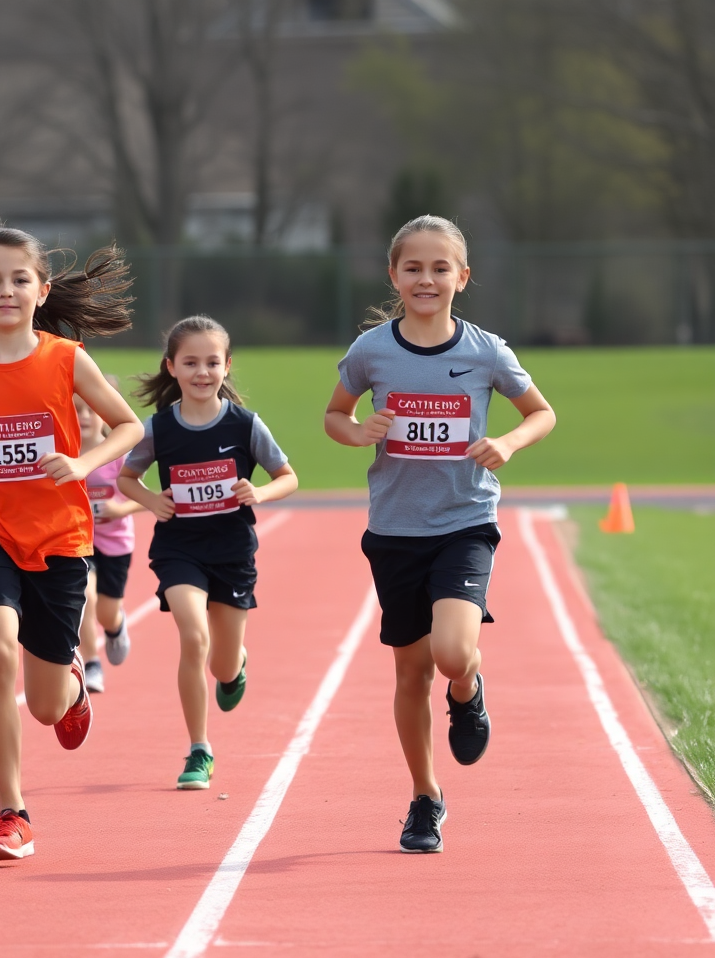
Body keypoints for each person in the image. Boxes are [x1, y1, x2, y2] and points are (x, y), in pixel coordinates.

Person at [324, 215, 556, 853]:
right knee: (409, 672)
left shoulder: (485, 351)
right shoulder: (372, 350)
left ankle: (468, 688)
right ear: (394, 275)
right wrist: (358, 431)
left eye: (440, 267)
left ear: (463, 277)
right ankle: (426, 798)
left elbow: (542, 413)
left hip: (464, 522)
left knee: (452, 652)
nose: (427, 278)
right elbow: (334, 416)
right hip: (395, 529)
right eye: (414, 268)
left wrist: (507, 440)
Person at [0, 225, 143, 861]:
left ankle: (68, 680)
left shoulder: (66, 359)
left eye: (19, 279)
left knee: (46, 707)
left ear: (41, 291)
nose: (6, 290)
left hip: (59, 537)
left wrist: (82, 460)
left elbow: (129, 426)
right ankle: (12, 813)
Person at [118, 315, 298, 790]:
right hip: (180, 549)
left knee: (220, 662)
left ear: (227, 366)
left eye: (212, 362)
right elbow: (125, 477)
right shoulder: (158, 428)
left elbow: (288, 477)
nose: (202, 372)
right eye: (191, 362)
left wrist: (259, 494)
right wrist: (153, 501)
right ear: (171, 367)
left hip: (233, 550)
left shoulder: (245, 425)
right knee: (192, 637)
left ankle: (235, 664)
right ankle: (199, 749)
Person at [75, 381, 144, 694]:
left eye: (91, 409)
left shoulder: (117, 455)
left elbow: (142, 497)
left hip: (115, 544)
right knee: (84, 598)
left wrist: (118, 510)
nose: (85, 416)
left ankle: (115, 627)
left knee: (105, 611)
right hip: (79, 541)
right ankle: (92, 662)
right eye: (76, 410)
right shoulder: (65, 455)